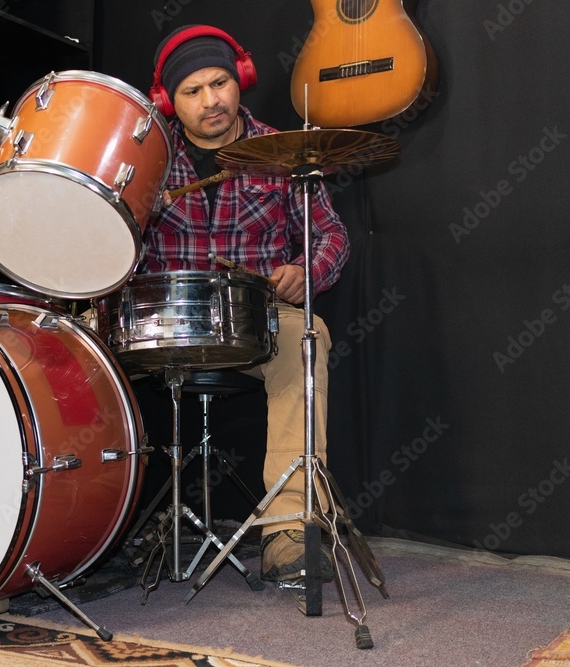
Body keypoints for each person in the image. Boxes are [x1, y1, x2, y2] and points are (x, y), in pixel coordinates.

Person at [142, 25, 350, 582]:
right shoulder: (146, 159)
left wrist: (305, 273)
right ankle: (76, 533)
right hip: (166, 324)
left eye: (220, 83)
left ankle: (287, 534)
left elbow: (331, 236)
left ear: (242, 81)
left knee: (308, 341)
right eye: (193, 91)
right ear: (168, 100)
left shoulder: (283, 153)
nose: (212, 100)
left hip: (254, 318)